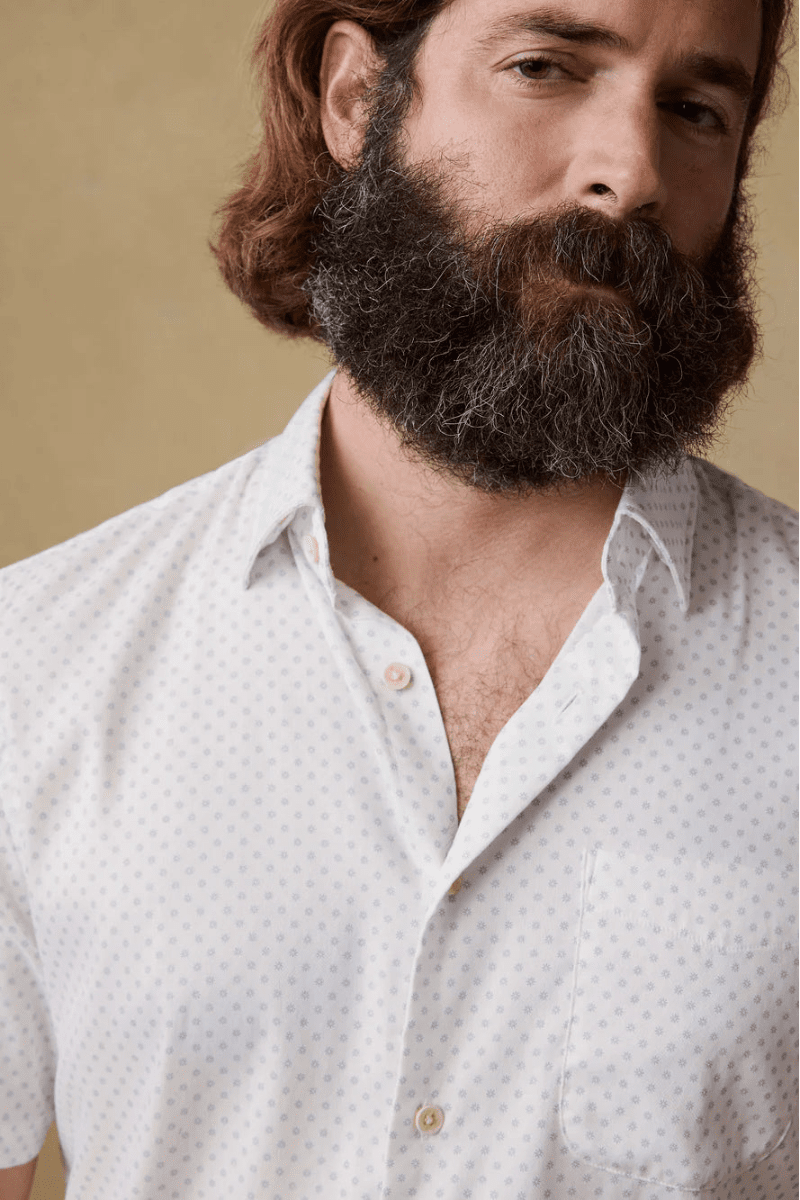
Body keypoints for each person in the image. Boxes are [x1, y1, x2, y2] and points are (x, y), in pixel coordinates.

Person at [1, 0, 797, 1195]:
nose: (627, 172)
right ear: (356, 97)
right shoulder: (35, 665)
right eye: (544, 68)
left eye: (692, 109)